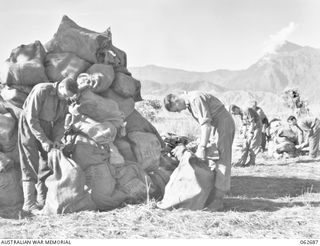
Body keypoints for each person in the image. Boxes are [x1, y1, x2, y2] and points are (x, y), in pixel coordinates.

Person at [163, 91, 235, 211]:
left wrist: (201, 147)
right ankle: (211, 195)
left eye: (176, 109)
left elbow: (205, 124)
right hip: (215, 126)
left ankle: (218, 200)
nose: (179, 111)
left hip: (222, 125)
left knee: (222, 160)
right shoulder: (191, 104)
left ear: (175, 100)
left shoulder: (196, 99)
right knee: (212, 159)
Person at [18, 77, 79, 213]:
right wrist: (44, 140)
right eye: (65, 95)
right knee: (30, 160)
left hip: (46, 125)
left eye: (68, 97)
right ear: (61, 87)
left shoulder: (64, 99)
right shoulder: (42, 90)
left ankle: (42, 200)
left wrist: (57, 139)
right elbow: (31, 118)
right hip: (29, 124)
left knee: (48, 160)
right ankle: (28, 204)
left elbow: (60, 122)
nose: (65, 98)